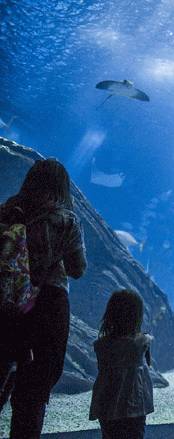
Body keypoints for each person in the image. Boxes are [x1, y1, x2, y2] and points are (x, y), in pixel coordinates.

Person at [0, 158, 87, 439]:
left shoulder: (6, 211)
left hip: (7, 303)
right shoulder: (65, 219)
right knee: (35, 387)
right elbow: (77, 269)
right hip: (48, 304)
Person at [89, 289, 154, 439]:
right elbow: (147, 344)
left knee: (109, 435)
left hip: (107, 403)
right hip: (134, 404)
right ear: (136, 316)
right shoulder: (141, 342)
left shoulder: (100, 344)